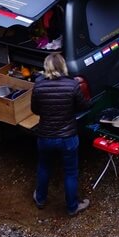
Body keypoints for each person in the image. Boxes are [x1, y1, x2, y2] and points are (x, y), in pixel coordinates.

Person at [31, 52, 90, 216]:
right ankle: (72, 207)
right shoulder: (72, 86)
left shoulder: (39, 86)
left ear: (47, 67)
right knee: (70, 172)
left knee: (44, 167)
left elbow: (34, 110)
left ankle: (40, 199)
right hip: (68, 137)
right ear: (63, 66)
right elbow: (83, 106)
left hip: (45, 136)